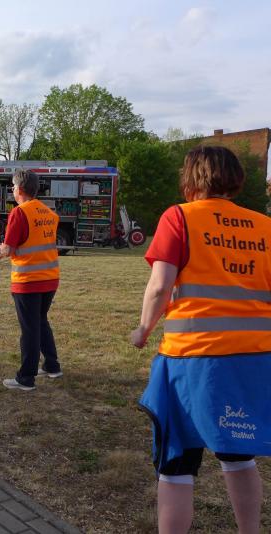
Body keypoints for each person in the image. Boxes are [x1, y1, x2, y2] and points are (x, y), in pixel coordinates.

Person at [131, 146, 271, 534]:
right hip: (253, 360)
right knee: (239, 455)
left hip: (192, 359)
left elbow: (160, 286)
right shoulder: (265, 226)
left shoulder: (179, 217)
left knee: (176, 464)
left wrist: (143, 329)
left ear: (191, 177)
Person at [0, 169, 61, 391]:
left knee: (30, 329)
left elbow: (10, 248)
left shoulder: (19, 213)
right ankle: (52, 366)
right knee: (40, 322)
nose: (12, 190)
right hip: (50, 278)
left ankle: (26, 378)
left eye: (12, 186)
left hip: (28, 280)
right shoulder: (48, 213)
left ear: (20, 189)